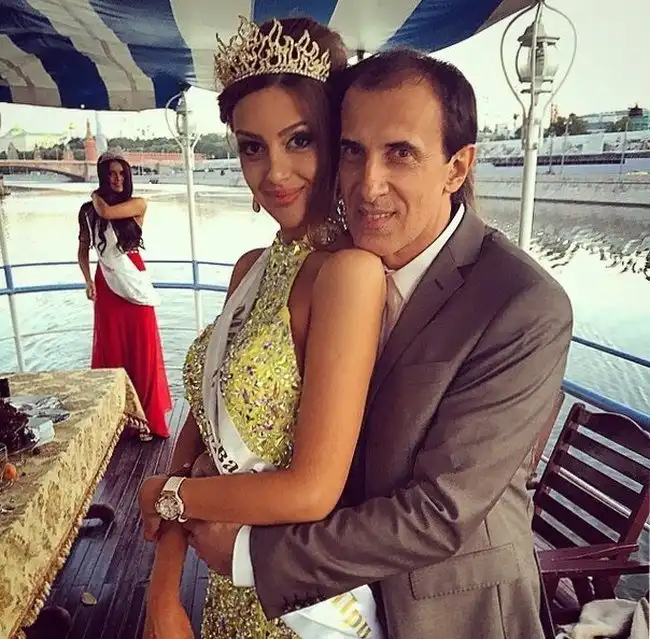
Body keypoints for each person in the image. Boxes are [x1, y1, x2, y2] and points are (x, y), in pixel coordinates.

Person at [183, 49, 574, 639]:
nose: (368, 185)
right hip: (312, 603)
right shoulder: (324, 269)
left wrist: (248, 554)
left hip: (442, 610)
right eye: (352, 151)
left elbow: (439, 512)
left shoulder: (522, 304)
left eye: (400, 153)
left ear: (456, 167)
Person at [138, 17, 387, 639]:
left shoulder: (349, 275)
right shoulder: (250, 268)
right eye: (252, 147)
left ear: (337, 141)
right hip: (226, 583)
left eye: (298, 140)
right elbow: (203, 425)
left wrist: (170, 495)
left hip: (297, 602)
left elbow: (310, 491)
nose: (274, 172)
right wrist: (163, 591)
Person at [77, 151, 171, 439]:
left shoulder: (137, 204)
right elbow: (83, 250)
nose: (117, 179)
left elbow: (106, 212)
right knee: (112, 351)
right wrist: (87, 280)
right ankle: (117, 418)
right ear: (103, 176)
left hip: (133, 281)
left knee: (143, 351)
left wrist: (95, 194)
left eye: (121, 174)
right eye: (111, 174)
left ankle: (148, 420)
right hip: (106, 284)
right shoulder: (87, 211)